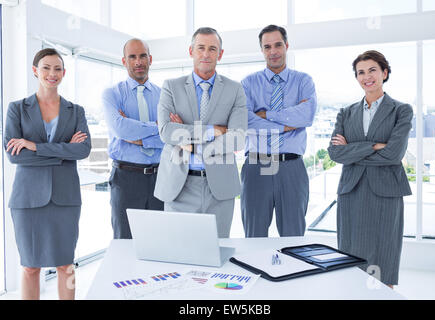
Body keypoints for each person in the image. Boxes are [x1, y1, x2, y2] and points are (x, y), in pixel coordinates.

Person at [4, 48, 91, 300]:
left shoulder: (76, 111)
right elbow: (14, 155)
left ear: (64, 73)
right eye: (46, 68)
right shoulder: (17, 109)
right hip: (28, 200)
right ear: (35, 71)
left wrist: (35, 146)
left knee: (66, 265)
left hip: (65, 199)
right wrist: (65, 151)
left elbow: (83, 150)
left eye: (57, 69)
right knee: (31, 267)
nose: (52, 73)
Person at [328, 50, 413, 288]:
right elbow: (335, 153)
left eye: (372, 70)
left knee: (384, 258)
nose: (367, 77)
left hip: (386, 192)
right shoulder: (346, 113)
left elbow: (394, 154)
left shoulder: (401, 110)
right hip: (351, 191)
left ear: (384, 73)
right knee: (350, 258)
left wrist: (353, 151)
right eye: (361, 72)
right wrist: (374, 146)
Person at [154, 27, 247, 238]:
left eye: (212, 49)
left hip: (220, 189)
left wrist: (190, 142)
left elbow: (238, 138)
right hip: (180, 187)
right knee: (178, 254)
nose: (206, 54)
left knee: (217, 254)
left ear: (220, 54)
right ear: (191, 51)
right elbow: (166, 131)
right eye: (201, 48)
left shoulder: (235, 89)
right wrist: (212, 131)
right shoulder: (171, 87)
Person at [240, 25, 317, 237]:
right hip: (256, 166)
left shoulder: (303, 81)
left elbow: (306, 116)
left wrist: (266, 114)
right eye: (267, 46)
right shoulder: (247, 84)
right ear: (262, 50)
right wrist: (288, 123)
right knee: (253, 236)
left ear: (286, 46)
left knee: (293, 237)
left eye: (277, 45)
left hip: (292, 167)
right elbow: (247, 122)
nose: (273, 51)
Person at [102, 39, 164, 239]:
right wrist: (157, 127)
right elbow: (121, 130)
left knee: (159, 242)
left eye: (142, 56)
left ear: (150, 59)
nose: (138, 61)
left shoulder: (164, 96)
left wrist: (140, 137)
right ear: (124, 61)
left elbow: (172, 135)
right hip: (126, 178)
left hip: (160, 177)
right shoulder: (111, 94)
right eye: (132, 57)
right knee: (125, 242)